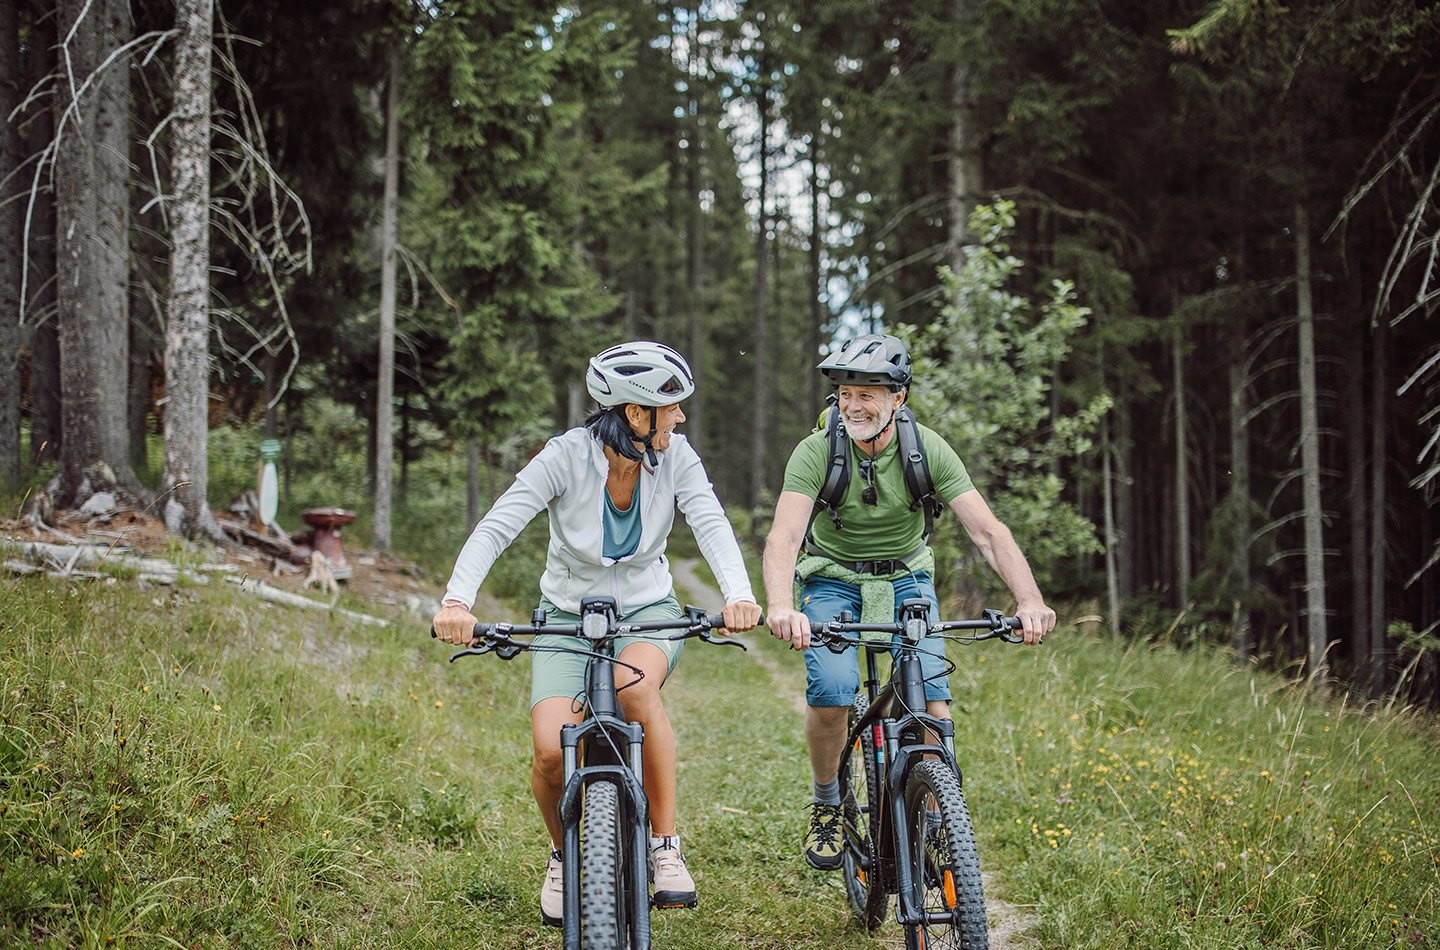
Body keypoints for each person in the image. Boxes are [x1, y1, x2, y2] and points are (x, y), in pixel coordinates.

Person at [432, 340, 762, 925]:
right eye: (671, 406)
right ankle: (563, 855)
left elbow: (710, 523)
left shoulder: (678, 458)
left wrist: (738, 594)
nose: (681, 417)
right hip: (566, 617)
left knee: (634, 692)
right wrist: (458, 599)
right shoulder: (563, 457)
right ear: (635, 414)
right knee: (549, 747)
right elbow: (497, 526)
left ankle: (665, 846)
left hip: (647, 612)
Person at [761, 333, 1056, 871]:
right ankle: (829, 802)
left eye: (867, 394)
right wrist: (782, 605)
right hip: (831, 579)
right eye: (846, 393)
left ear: (897, 398)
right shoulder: (816, 451)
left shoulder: (927, 449)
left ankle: (940, 816)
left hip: (906, 580)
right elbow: (784, 537)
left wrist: (1028, 598)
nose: (853, 405)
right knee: (831, 691)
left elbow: (988, 533)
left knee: (931, 706)